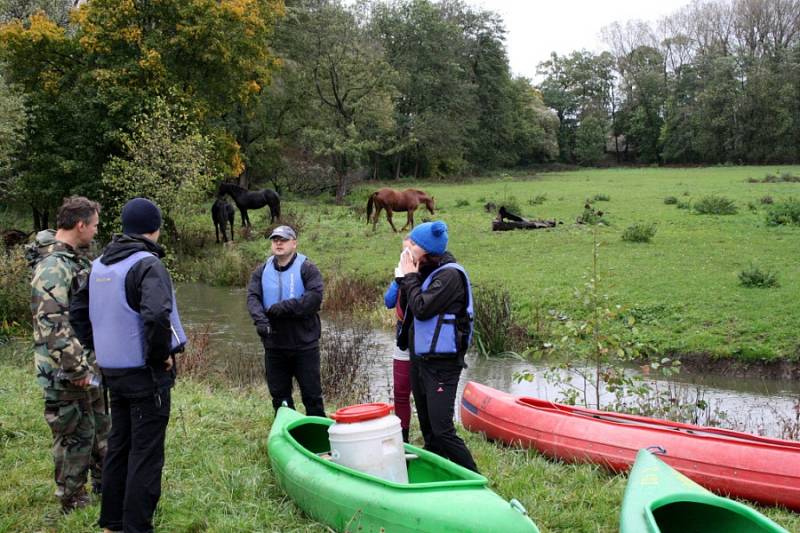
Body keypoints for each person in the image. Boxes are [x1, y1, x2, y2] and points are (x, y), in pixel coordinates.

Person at [70, 197, 186, 533]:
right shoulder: (148, 265)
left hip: (113, 374)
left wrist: (99, 347)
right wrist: (159, 356)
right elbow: (156, 316)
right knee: (146, 454)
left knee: (119, 445)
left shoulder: (100, 264)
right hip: (146, 375)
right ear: (155, 229)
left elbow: (78, 312)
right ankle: (136, 527)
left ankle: (112, 523)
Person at [28, 195, 109, 513]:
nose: (95, 232)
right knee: (74, 434)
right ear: (80, 225)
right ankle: (72, 499)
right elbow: (52, 323)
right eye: (95, 226)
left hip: (87, 364)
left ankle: (106, 484)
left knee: (98, 427)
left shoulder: (73, 260)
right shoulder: (53, 267)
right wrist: (77, 370)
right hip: (65, 372)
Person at [397, 220, 478, 472]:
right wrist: (405, 278)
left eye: (414, 244)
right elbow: (407, 306)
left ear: (427, 249)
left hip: (442, 364)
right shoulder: (427, 271)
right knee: (429, 430)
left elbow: (422, 308)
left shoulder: (449, 275)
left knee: (443, 431)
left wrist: (409, 275)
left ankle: (476, 480)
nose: (409, 247)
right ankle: (439, 477)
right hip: (421, 359)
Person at [247, 225, 325, 416]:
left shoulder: (307, 268)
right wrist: (260, 321)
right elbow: (252, 297)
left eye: (283, 240)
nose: (278, 243)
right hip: (274, 343)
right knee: (280, 397)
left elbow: (314, 298)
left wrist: (283, 307)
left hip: (304, 343)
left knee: (312, 396)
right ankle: (287, 435)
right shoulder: (262, 270)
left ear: (294, 243)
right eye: (275, 240)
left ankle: (318, 439)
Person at [383, 237, 412, 443]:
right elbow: (388, 301)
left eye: (410, 251)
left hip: (424, 345)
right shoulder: (401, 277)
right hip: (403, 341)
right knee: (401, 391)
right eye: (403, 252)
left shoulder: (431, 276)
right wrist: (398, 280)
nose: (406, 255)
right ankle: (403, 437)